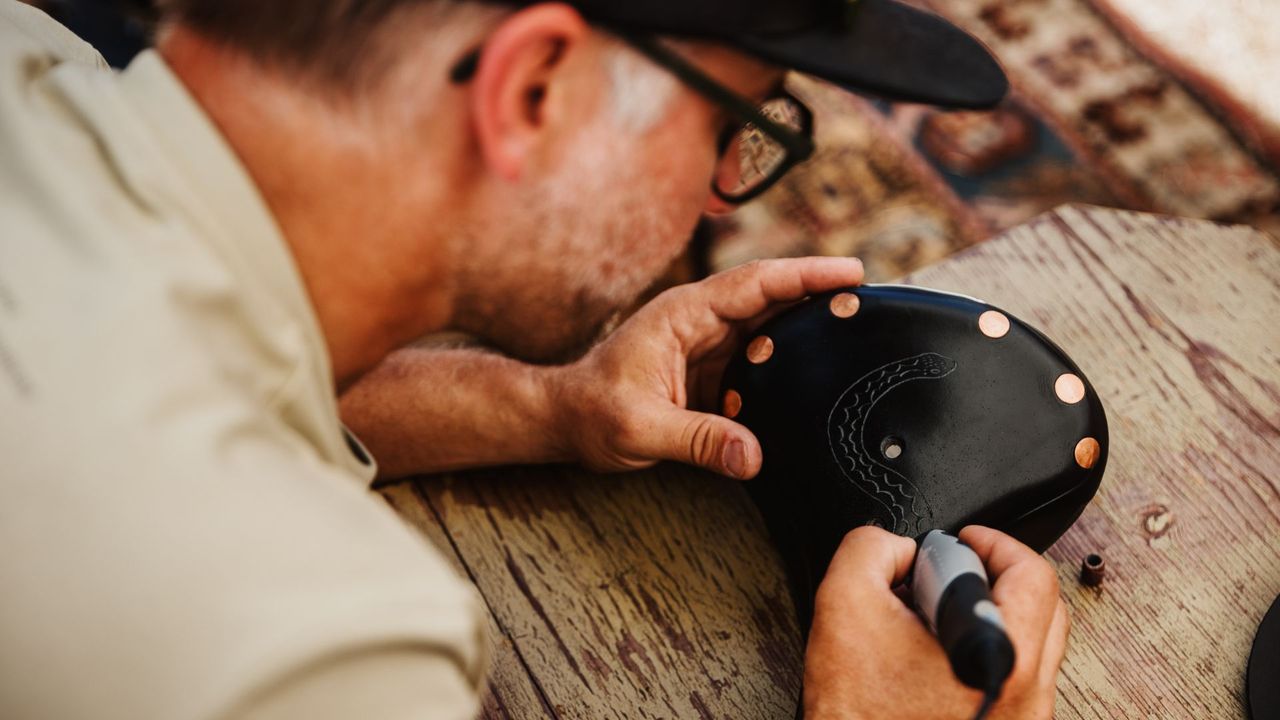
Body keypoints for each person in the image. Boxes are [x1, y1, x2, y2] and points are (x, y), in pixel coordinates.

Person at [0, 0, 1068, 718]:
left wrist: (553, 406)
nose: (712, 194)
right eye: (731, 124)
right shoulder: (316, 645)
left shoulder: (29, 50)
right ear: (531, 89)